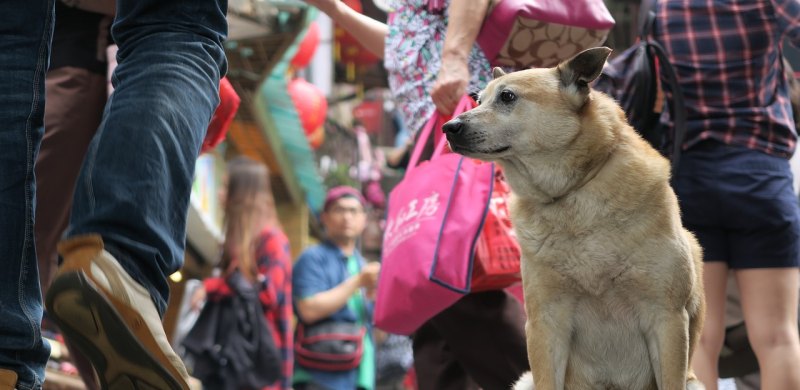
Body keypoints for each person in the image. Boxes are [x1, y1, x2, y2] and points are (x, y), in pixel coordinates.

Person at [301, 1, 529, 388]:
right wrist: (336, 11)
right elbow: (405, 44)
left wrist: (454, 60)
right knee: (430, 306)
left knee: (451, 282)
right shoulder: (412, 16)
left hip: (459, 127)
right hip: (439, 132)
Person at [0, 1, 227, 389]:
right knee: (178, 23)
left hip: (56, 73)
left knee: (9, 46)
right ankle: (125, 256)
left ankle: (6, 360)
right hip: (82, 77)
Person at [652, 1, 800, 389]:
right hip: (761, 179)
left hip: (690, 182)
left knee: (700, 337)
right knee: (777, 337)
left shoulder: (663, 8)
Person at [194, 156, 294, 389]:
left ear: (244, 193)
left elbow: (268, 294)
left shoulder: (272, 239)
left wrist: (213, 286)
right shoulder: (238, 243)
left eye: (227, 187)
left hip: (259, 370)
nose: (220, 193)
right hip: (235, 365)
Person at [292, 186, 381, 390]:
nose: (347, 217)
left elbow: (376, 330)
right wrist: (357, 282)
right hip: (319, 375)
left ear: (364, 220)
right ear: (324, 217)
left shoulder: (362, 265)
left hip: (359, 375)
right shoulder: (312, 257)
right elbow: (308, 309)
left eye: (354, 211)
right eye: (339, 210)